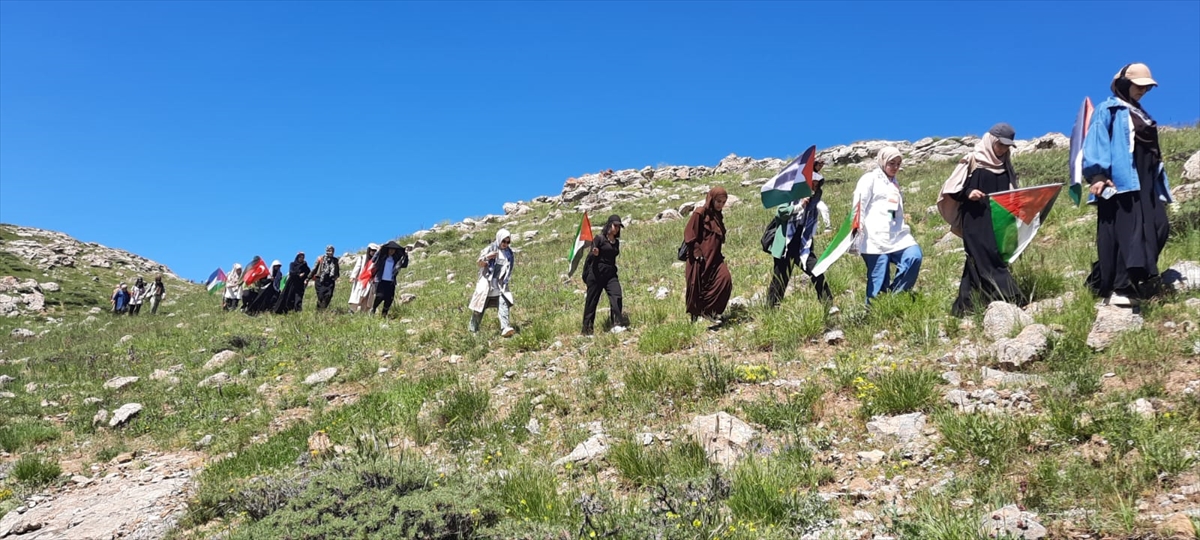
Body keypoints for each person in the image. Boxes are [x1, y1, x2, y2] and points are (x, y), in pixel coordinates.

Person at [1083, 63, 1172, 306]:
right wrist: (1098, 174)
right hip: (1122, 179)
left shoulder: (1143, 114)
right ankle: (1121, 287)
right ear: (1125, 84)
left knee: (1159, 226)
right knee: (1127, 231)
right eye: (1139, 86)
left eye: (1147, 87)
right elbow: (1097, 139)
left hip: (1147, 180)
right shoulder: (1108, 109)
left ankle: (1133, 277)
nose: (1143, 91)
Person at [948, 124, 1024, 316]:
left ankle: (965, 306)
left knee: (976, 259)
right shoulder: (972, 160)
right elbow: (953, 189)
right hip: (975, 219)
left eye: (1007, 146)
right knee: (988, 256)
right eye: (1000, 145)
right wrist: (969, 192)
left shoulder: (1006, 164)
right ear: (991, 140)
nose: (1003, 149)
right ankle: (1011, 295)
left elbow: (1011, 192)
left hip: (999, 220)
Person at [852, 147, 923, 304]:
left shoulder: (895, 184)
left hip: (897, 234)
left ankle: (895, 297)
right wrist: (857, 225)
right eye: (892, 163)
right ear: (883, 162)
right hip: (874, 237)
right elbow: (859, 203)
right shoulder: (869, 179)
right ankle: (875, 314)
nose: (895, 167)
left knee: (914, 257)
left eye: (898, 163)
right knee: (878, 282)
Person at [766, 178, 833, 308]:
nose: (813, 187)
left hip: (803, 244)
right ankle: (770, 311)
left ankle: (828, 305)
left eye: (816, 185)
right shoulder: (791, 195)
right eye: (811, 184)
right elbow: (781, 212)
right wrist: (799, 206)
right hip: (786, 243)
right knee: (780, 279)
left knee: (817, 271)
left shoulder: (813, 202)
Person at [684, 186, 733, 323]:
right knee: (697, 286)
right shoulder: (700, 213)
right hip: (700, 258)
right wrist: (696, 250)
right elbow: (689, 233)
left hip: (715, 258)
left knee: (725, 279)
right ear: (711, 199)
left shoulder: (718, 216)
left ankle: (711, 311)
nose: (721, 205)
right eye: (718, 201)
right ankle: (696, 316)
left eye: (723, 202)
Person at [581, 215, 628, 335]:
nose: (617, 228)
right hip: (596, 274)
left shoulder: (616, 242)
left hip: (611, 274)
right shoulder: (599, 238)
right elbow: (591, 255)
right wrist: (595, 253)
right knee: (592, 302)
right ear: (609, 225)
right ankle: (587, 330)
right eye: (615, 225)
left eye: (619, 226)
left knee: (617, 295)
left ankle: (616, 323)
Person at [469, 229, 516, 336]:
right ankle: (473, 330)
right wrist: (487, 257)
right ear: (499, 239)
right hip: (487, 284)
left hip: (500, 285)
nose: (505, 244)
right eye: (503, 241)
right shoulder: (490, 249)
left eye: (508, 242)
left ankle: (505, 327)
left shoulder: (509, 254)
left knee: (503, 304)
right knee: (479, 309)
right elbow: (480, 263)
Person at [370, 241, 408, 316]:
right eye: (390, 249)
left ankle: (384, 314)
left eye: (393, 250)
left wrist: (406, 256)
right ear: (387, 250)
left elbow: (404, 265)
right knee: (379, 296)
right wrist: (378, 251)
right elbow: (373, 260)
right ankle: (373, 308)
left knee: (389, 298)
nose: (391, 251)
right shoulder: (382, 257)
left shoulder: (396, 259)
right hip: (380, 280)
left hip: (391, 281)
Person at [347, 243, 379, 313]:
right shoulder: (362, 258)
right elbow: (357, 267)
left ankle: (363, 313)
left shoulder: (377, 260)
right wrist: (353, 276)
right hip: (361, 280)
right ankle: (352, 310)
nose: (373, 252)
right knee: (358, 296)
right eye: (372, 250)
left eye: (375, 251)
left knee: (367, 298)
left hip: (370, 281)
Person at [310, 245, 340, 311]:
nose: (330, 252)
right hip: (320, 279)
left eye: (332, 251)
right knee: (321, 296)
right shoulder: (321, 258)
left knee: (329, 295)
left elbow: (337, 270)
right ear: (326, 251)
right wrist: (308, 277)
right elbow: (315, 268)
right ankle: (319, 310)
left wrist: (336, 276)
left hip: (330, 280)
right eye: (329, 251)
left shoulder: (335, 260)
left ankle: (323, 308)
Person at [812, 157, 833, 232]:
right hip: (805, 199)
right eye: (819, 165)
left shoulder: (819, 176)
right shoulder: (807, 173)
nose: (820, 167)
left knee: (824, 208)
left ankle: (828, 227)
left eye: (821, 166)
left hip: (816, 198)